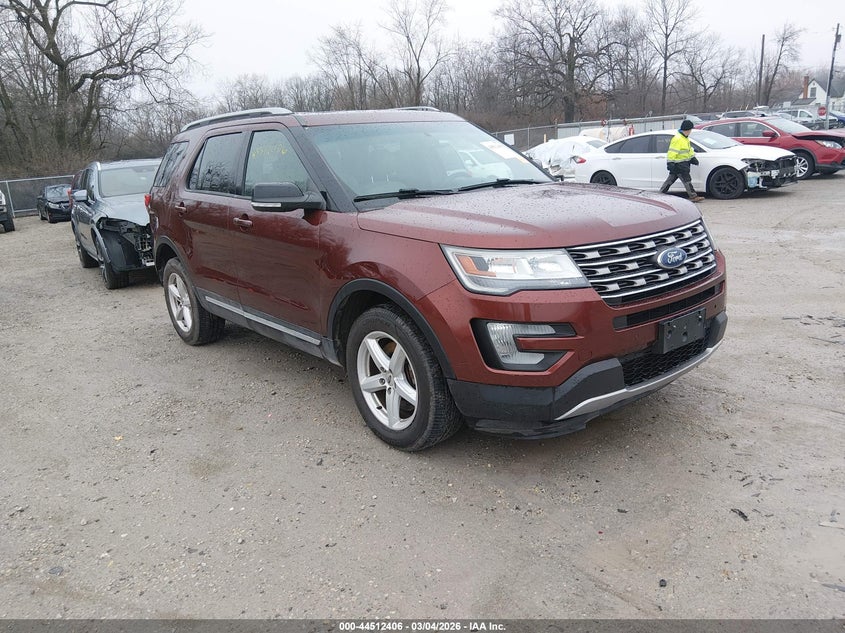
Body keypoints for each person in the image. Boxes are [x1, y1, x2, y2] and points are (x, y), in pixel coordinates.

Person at [660, 119, 704, 202]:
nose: (691, 131)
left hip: (681, 164)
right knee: (687, 180)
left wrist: (692, 158)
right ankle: (693, 196)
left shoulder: (684, 138)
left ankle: (660, 195)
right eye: (691, 129)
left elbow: (688, 150)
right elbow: (672, 152)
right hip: (679, 164)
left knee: (670, 181)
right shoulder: (678, 139)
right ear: (688, 129)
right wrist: (670, 163)